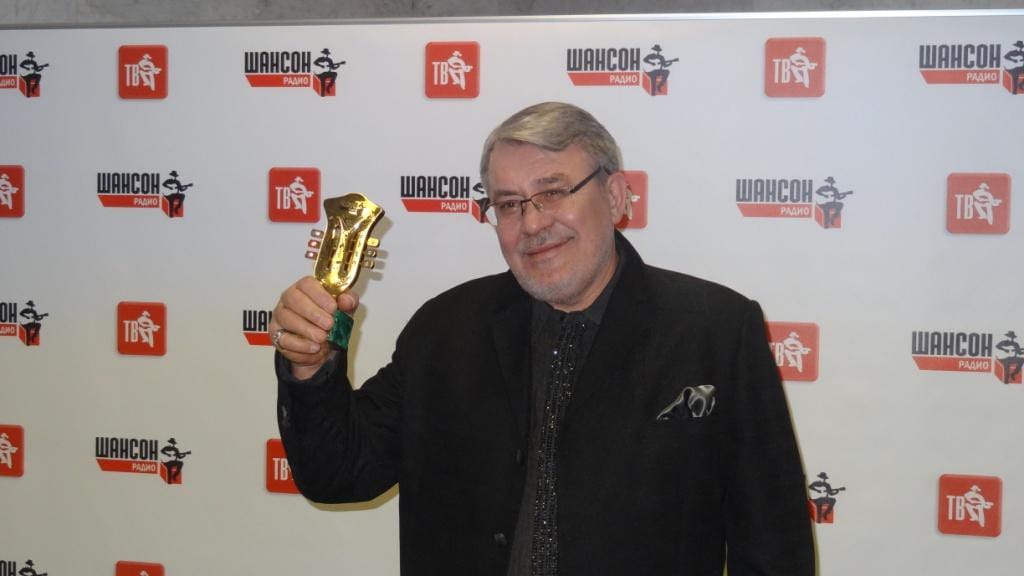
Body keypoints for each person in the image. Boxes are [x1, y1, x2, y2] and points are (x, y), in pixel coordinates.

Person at [270, 102, 814, 575]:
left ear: (615, 196)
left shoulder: (715, 331)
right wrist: (310, 367)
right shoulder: (445, 329)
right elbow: (339, 472)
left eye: (552, 192)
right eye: (509, 204)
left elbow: (774, 547)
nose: (531, 224)